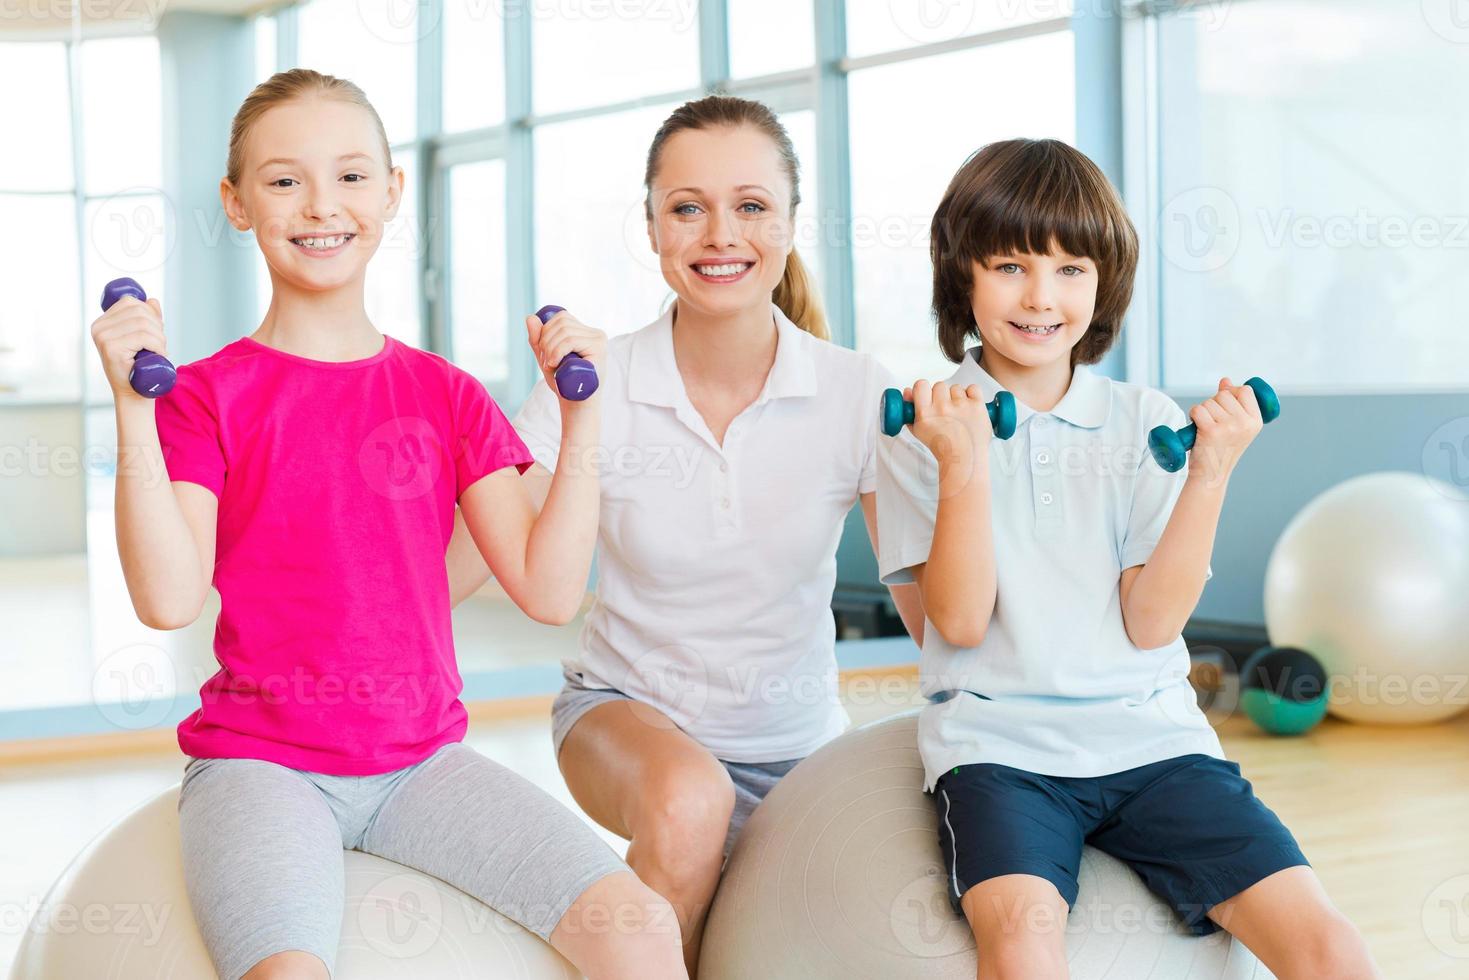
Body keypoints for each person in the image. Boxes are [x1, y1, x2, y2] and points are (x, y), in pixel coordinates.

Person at [90, 68, 685, 980]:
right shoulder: (205, 396)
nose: (321, 205)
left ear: (392, 193)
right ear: (237, 203)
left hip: (423, 767)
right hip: (263, 769)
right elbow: (170, 599)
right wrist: (132, 409)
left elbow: (549, 586)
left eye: (352, 176)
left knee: (640, 927)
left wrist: (584, 421)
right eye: (285, 180)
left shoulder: (444, 395)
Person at [876, 138, 1381, 980]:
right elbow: (956, 625)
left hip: (1155, 743)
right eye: (1009, 265)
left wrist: (1208, 472)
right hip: (1001, 751)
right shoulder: (920, 431)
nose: (1041, 297)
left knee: (1330, 947)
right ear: (960, 274)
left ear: (1102, 285)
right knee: (1023, 949)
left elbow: (1151, 624)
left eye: (1071, 269)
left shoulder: (1139, 420)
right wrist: (962, 464)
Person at [448, 94, 922, 974]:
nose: (719, 235)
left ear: (787, 224)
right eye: (686, 208)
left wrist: (965, 477)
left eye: (749, 206)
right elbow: (472, 560)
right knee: (689, 802)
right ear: (652, 225)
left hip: (801, 750)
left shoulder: (858, 390)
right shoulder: (592, 381)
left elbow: (938, 619)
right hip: (626, 722)